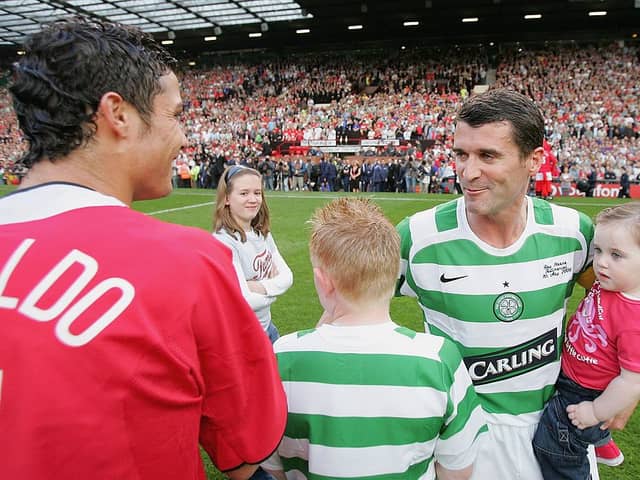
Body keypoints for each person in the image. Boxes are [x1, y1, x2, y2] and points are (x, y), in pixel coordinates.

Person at [0, 17, 286, 480]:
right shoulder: (185, 261)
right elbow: (244, 447)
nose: (184, 137)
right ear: (118, 114)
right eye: (174, 115)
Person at [396, 88, 603, 480]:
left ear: (534, 161)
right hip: (461, 441)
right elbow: (348, 317)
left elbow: (616, 311)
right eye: (461, 154)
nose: (468, 172)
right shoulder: (417, 238)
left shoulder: (574, 232)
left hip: (553, 435)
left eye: (488, 156)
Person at [263, 198, 487, 480]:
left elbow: (273, 467)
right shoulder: (440, 359)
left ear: (323, 281)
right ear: (395, 273)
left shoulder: (282, 356)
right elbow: (457, 470)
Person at [533, 202, 640, 479]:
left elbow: (632, 381)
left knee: (555, 448)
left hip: (585, 393)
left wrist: (595, 411)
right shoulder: (611, 282)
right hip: (571, 375)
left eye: (616, 255)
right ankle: (601, 442)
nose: (602, 261)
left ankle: (593, 435)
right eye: (600, 251)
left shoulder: (633, 319)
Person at [213, 165, 293, 344]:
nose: (253, 199)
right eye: (244, 193)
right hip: (243, 339)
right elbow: (245, 301)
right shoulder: (224, 241)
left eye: (257, 193)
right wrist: (275, 287)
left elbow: (288, 277)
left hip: (268, 329)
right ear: (226, 198)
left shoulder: (262, 234)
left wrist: (256, 287)